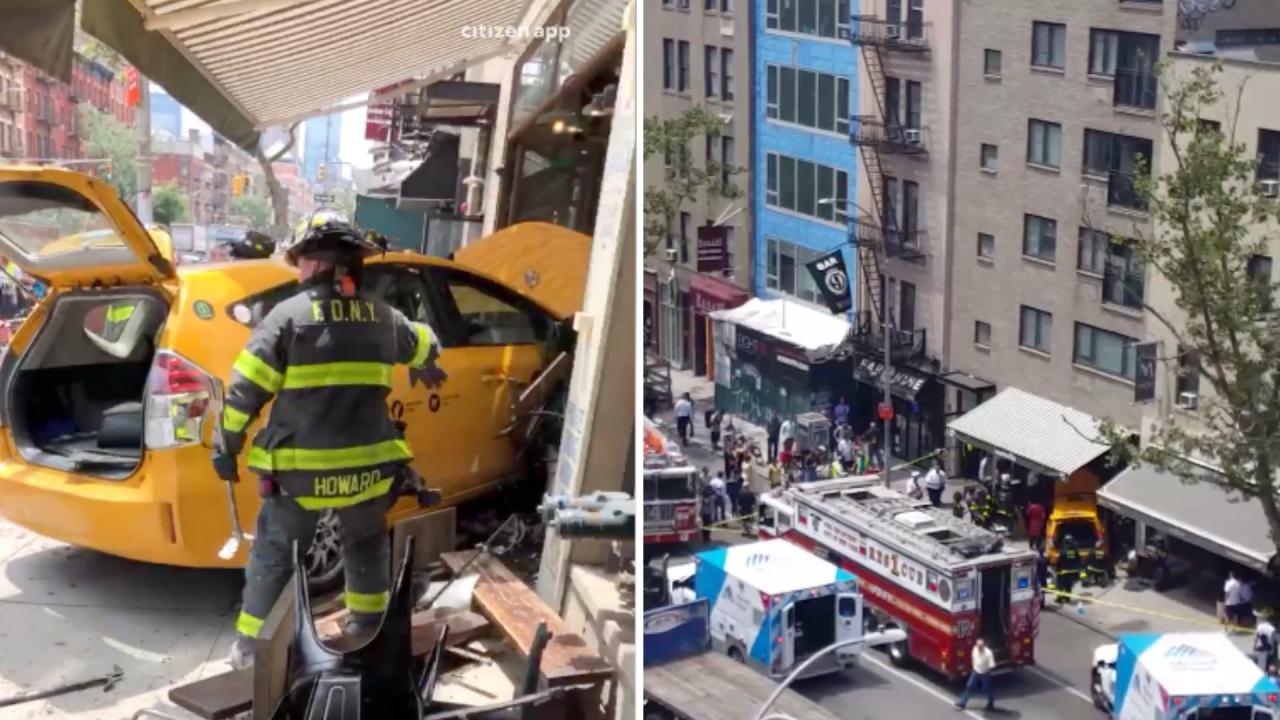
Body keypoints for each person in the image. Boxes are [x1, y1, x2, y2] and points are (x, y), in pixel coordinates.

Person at [211, 210, 443, 669]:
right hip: (369, 474)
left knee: (277, 555)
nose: (297, 270)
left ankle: (253, 651)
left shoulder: (287, 318)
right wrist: (425, 360)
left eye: (299, 261)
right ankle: (366, 626)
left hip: (301, 476)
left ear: (315, 264)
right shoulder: (385, 319)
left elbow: (243, 392)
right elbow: (425, 342)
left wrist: (227, 446)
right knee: (365, 544)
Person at [955, 638, 997, 711]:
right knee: (969, 686)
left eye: (981, 646)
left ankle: (991, 703)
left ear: (984, 645)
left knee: (986, 689)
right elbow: (973, 658)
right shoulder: (975, 649)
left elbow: (992, 665)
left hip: (985, 673)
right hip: (976, 671)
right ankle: (962, 703)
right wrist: (974, 667)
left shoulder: (988, 653)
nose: (979, 647)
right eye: (978, 646)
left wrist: (986, 672)